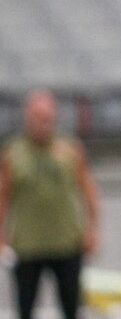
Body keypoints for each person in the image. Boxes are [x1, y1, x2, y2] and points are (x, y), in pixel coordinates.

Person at [0, 89, 100, 319]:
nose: (42, 124)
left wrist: (92, 230)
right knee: (25, 307)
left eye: (47, 118)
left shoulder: (70, 149)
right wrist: (2, 236)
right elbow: (3, 197)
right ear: (27, 117)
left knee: (71, 306)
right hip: (27, 246)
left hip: (66, 244)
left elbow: (88, 193)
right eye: (37, 117)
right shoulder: (13, 153)